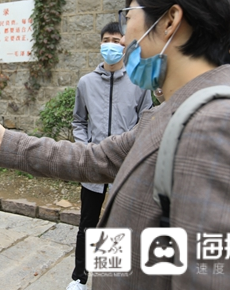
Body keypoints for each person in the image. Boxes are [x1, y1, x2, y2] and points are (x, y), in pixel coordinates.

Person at [0, 0, 230, 289]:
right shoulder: (171, 112)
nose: (123, 37)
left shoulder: (226, 125)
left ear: (170, 21)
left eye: (129, 16)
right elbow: (95, 158)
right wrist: (6, 139)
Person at [68, 22, 151, 290]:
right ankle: (80, 278)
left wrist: (131, 151)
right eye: (107, 39)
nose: (111, 45)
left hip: (124, 167)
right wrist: (84, 147)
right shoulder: (86, 83)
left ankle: (109, 281)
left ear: (125, 47)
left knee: (118, 224)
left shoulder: (139, 83)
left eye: (117, 40)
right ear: (100, 44)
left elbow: (146, 121)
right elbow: (78, 121)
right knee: (88, 224)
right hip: (92, 166)